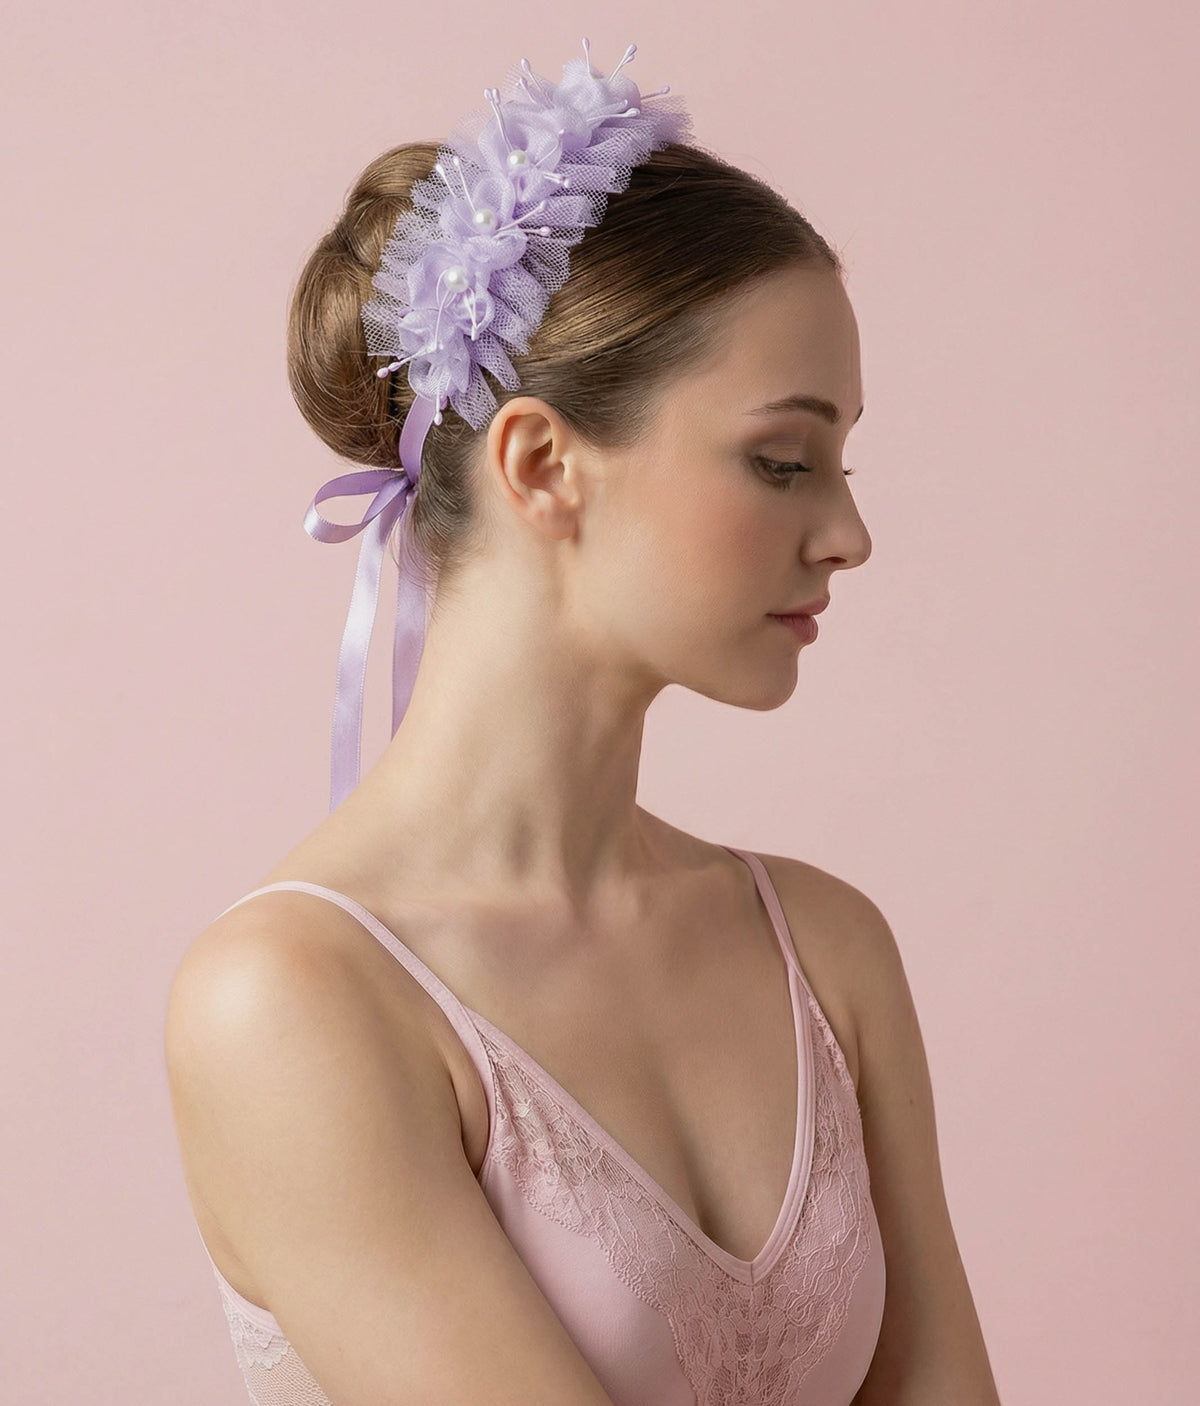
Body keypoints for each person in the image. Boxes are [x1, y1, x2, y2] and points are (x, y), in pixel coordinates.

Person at [165, 40, 1001, 1406]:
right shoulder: (291, 1002)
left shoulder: (827, 953)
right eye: (784, 460)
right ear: (543, 465)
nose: (847, 532)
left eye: (841, 461)